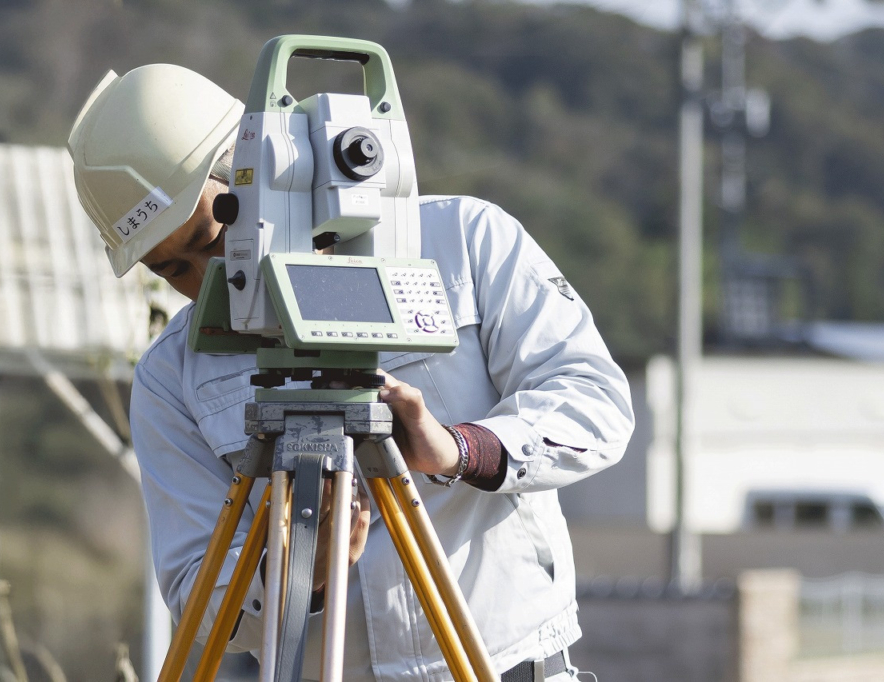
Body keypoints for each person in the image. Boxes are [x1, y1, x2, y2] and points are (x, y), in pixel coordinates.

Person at [68, 62, 634, 681]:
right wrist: (297, 573)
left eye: (211, 241)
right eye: (170, 269)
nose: (206, 282)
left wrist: (462, 449)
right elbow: (198, 603)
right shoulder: (171, 377)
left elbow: (595, 401)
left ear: (265, 170)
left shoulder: (464, 241)